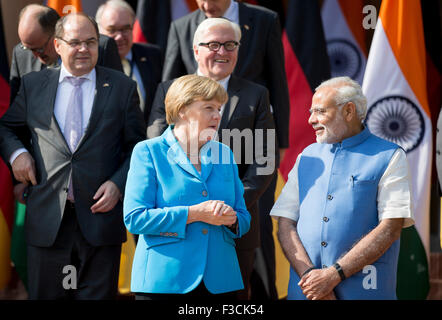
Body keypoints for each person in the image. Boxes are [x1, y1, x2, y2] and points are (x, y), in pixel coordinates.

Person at [0, 12, 146, 299]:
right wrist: (18, 154)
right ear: (57, 45)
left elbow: (138, 147)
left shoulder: (121, 87)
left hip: (99, 219)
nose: (83, 49)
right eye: (75, 42)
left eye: (90, 42)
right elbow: (6, 128)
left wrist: (118, 184)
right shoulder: (33, 85)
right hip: (48, 220)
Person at [162, 1, 289, 298]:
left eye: (230, 45)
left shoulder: (256, 96)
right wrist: (193, 207)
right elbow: (159, 146)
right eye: (214, 45)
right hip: (182, 218)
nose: (223, 52)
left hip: (237, 215)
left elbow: (264, 157)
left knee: (234, 294)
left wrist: (233, 204)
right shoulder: (169, 92)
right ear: (196, 50)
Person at [270, 76, 415, 300]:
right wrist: (312, 278)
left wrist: (333, 276)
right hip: (306, 293)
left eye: (320, 112)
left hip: (366, 292)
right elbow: (286, 223)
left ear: (349, 111)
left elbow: (390, 227)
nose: (311, 120)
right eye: (311, 112)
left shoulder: (390, 156)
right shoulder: (306, 156)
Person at [124, 74, 250, 300]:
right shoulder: (148, 151)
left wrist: (231, 219)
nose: (217, 115)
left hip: (220, 281)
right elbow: (135, 218)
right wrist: (194, 214)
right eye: (209, 107)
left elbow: (243, 217)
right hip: (164, 281)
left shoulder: (225, 154)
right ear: (182, 109)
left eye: (219, 109)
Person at [10, 4, 123, 105]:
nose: (34, 56)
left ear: (56, 35)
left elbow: (119, 102)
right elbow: (16, 111)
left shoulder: (101, 48)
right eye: (28, 48)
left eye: (40, 49)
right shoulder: (21, 54)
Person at [96, 0, 163, 124]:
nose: (120, 36)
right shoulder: (93, 64)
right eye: (112, 30)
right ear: (98, 31)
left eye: (125, 29)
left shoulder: (153, 55)